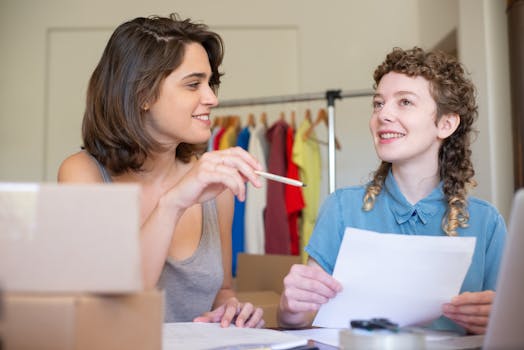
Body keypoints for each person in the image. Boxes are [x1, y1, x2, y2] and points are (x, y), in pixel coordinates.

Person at [277, 47, 506, 335]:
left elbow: (509, 330)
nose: (383, 114)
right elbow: (301, 319)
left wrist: (501, 320)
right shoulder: (340, 209)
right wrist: (290, 309)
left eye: (405, 102)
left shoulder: (487, 224)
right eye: (378, 103)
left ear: (446, 124)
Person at [58, 14, 265, 328]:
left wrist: (232, 310)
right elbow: (110, 305)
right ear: (143, 95)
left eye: (210, 84)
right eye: (193, 84)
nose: (212, 98)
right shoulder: (82, 174)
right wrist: (174, 202)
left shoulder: (214, 188)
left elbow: (222, 291)